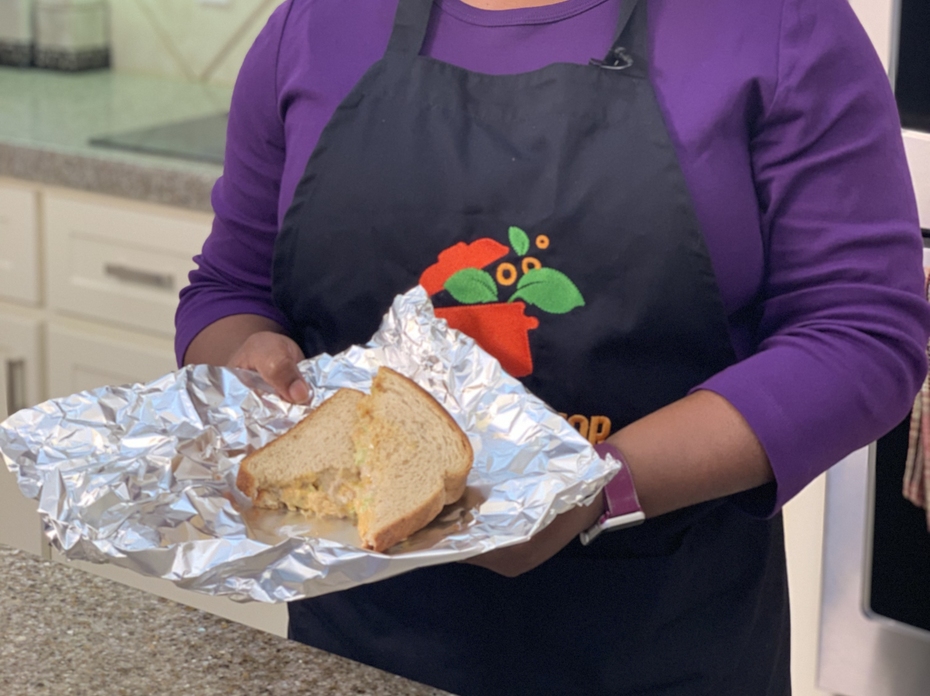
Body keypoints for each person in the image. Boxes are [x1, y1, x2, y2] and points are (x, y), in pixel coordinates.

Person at [176, 0, 930, 693]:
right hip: (354, 645)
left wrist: (602, 487)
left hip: (662, 644)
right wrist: (250, 359)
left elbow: (862, 331)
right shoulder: (316, 25)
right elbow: (230, 286)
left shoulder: (778, 24)